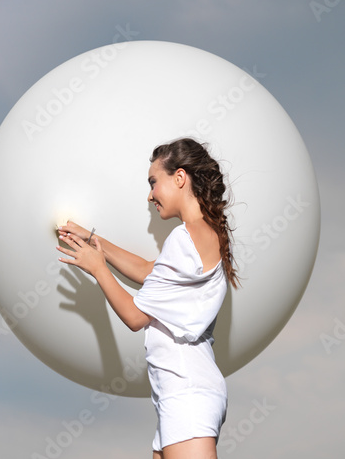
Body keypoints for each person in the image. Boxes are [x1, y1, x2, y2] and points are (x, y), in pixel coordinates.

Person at [56, 137, 239, 459]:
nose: (150, 194)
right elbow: (145, 270)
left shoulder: (185, 237)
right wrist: (92, 239)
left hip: (186, 394)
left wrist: (98, 268)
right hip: (181, 393)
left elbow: (135, 317)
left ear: (180, 178)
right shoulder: (203, 233)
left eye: (154, 182)